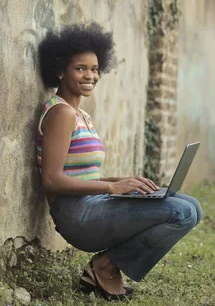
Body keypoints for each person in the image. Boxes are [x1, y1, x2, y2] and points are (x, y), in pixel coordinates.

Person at [35, 22, 203, 301]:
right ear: (60, 70)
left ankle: (106, 266)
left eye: (95, 69)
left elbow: (82, 175)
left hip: (93, 204)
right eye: (80, 68)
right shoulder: (61, 114)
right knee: (182, 213)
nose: (90, 75)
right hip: (76, 215)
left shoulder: (82, 115)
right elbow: (51, 180)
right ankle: (104, 266)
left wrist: (123, 181)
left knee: (193, 208)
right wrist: (111, 188)